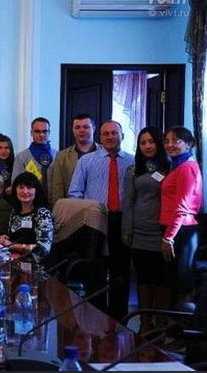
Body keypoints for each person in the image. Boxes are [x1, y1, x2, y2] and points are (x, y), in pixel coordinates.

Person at [68, 120, 134, 320]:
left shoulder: (133, 162)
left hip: (122, 222)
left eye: (114, 133)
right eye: (106, 134)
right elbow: (75, 192)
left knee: (120, 273)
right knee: (95, 271)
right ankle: (94, 321)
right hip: (95, 222)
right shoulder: (86, 161)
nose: (110, 137)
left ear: (122, 135)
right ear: (100, 137)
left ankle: (119, 320)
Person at [121, 127, 170, 334]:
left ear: (159, 143)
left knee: (161, 279)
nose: (147, 146)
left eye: (151, 141)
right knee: (142, 278)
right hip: (139, 232)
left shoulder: (170, 166)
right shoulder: (133, 169)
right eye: (143, 143)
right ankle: (145, 322)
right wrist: (126, 229)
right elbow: (128, 201)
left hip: (162, 232)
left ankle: (161, 323)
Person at [160, 126, 203, 311]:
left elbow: (183, 207)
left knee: (182, 284)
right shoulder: (176, 165)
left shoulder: (187, 168)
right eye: (167, 141)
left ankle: (183, 325)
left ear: (189, 144)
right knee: (173, 282)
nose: (170, 145)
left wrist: (168, 237)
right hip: (176, 229)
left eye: (176, 141)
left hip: (181, 231)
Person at [0, 172, 53, 264]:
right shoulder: (15, 212)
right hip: (15, 261)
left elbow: (43, 249)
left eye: (29, 187)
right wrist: (4, 238)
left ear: (36, 190)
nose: (25, 191)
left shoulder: (43, 214)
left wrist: (13, 245)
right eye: (21, 187)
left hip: (37, 265)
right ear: (15, 190)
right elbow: (14, 237)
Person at [48, 114, 99, 207]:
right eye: (77, 127)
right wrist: (58, 210)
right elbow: (57, 188)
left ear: (93, 128)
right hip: (72, 209)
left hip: (99, 208)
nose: (81, 130)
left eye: (86, 127)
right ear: (73, 130)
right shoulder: (62, 156)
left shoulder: (104, 154)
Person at [12, 117, 57, 194]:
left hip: (54, 199)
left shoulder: (58, 156)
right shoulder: (21, 157)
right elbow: (15, 184)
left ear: (49, 133)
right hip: (29, 199)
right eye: (37, 131)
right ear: (31, 133)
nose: (41, 135)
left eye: (44, 131)